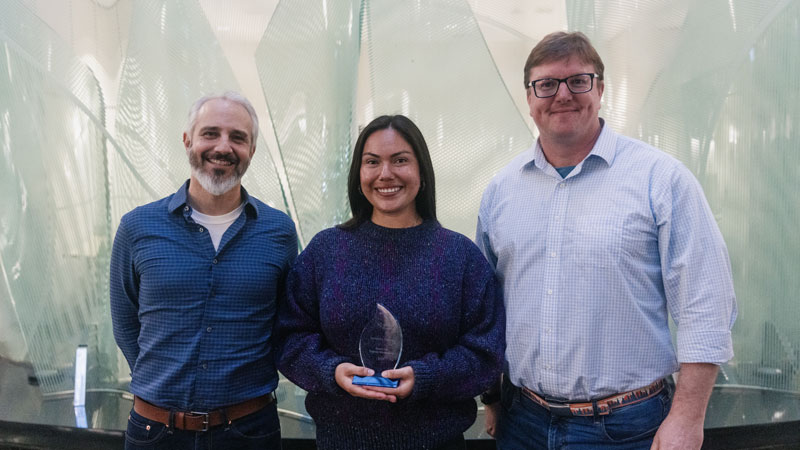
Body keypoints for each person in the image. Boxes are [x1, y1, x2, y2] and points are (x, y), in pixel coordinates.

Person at [477, 32, 737, 450]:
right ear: (529, 98)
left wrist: (687, 419)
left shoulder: (661, 180)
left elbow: (705, 303)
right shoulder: (501, 192)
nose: (562, 95)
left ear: (600, 88)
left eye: (578, 80)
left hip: (626, 429)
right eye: (546, 84)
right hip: (521, 421)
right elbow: (487, 307)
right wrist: (492, 396)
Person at [277, 115, 505, 450]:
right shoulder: (326, 251)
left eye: (400, 160)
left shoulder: (461, 257)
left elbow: (486, 353)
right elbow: (289, 338)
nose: (386, 174)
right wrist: (331, 370)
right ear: (359, 175)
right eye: (372, 162)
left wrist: (426, 378)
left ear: (422, 173)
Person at [110, 92, 297, 450]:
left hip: (249, 432)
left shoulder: (279, 232)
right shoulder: (137, 227)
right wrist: (164, 385)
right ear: (188, 141)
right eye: (210, 133)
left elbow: (285, 325)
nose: (223, 147)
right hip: (155, 433)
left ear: (252, 150)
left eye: (238, 137)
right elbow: (125, 324)